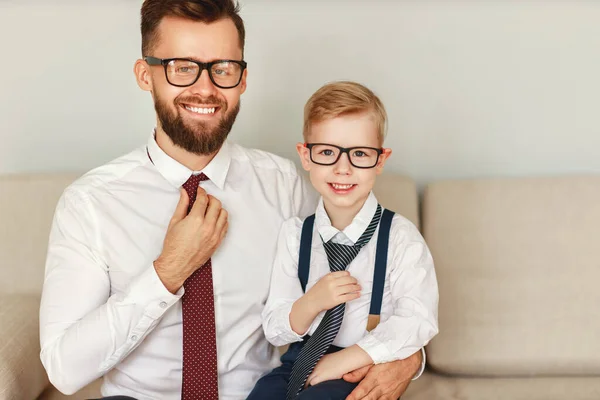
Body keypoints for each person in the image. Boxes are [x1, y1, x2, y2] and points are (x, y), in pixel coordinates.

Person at [39, 1, 425, 399]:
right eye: (182, 67)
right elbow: (64, 370)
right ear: (145, 75)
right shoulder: (90, 203)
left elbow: (362, 283)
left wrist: (408, 357)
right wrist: (168, 271)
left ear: (242, 80)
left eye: (222, 68)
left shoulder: (283, 185)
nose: (205, 88)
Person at [246, 82, 439, 400]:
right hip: (298, 360)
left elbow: (417, 320)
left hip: (362, 364)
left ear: (380, 159)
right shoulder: (295, 236)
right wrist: (312, 302)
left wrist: (347, 360)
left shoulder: (400, 238)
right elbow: (274, 325)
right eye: (326, 152)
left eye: (360, 154)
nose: (342, 168)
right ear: (305, 156)